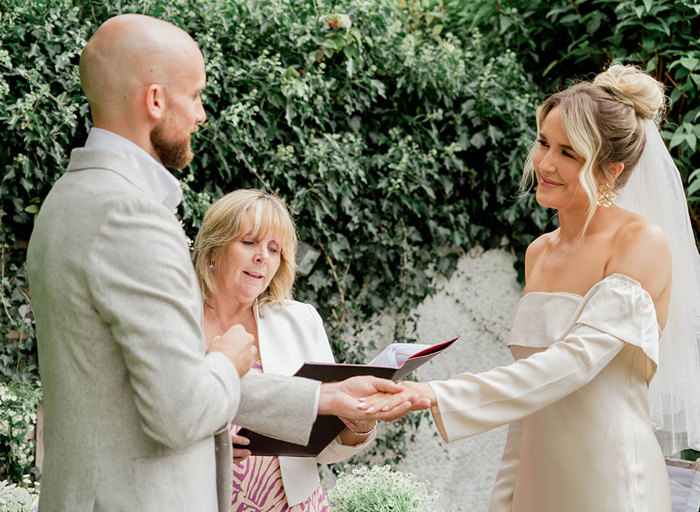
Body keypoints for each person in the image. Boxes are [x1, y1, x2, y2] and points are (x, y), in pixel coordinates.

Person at [26, 14, 423, 512]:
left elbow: (141, 382)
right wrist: (228, 361)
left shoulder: (65, 201)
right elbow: (179, 409)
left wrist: (329, 398)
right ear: (155, 100)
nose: (201, 114)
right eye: (195, 95)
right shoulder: (133, 217)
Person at [364, 64, 700, 511]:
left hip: (613, 479)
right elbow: (530, 398)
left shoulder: (640, 241)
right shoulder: (538, 252)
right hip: (536, 481)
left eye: (569, 152)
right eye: (543, 142)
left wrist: (435, 393)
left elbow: (571, 363)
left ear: (610, 170)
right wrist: (506, 497)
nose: (544, 163)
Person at [193, 189, 379, 511]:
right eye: (249, 242)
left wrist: (358, 428)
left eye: (274, 249)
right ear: (213, 249)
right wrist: (194, 451)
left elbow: (322, 447)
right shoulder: (176, 323)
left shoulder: (299, 320)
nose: (262, 256)